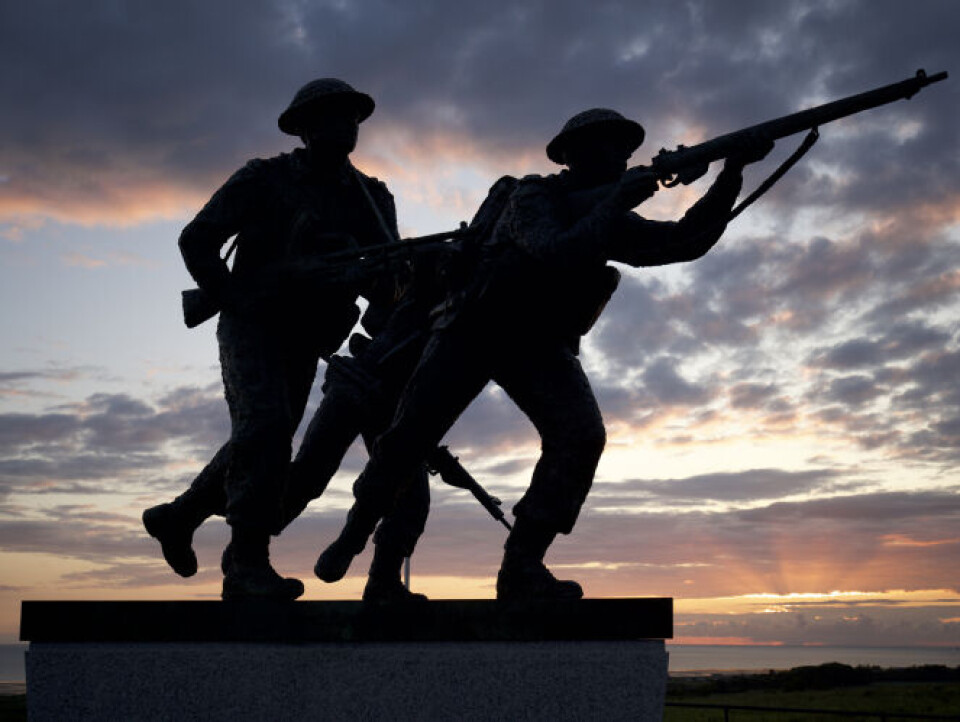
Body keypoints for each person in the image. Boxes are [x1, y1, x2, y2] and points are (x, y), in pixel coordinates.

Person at [315, 108, 773, 600]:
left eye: (623, 147)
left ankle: (523, 566)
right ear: (573, 155)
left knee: (580, 436)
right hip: (475, 325)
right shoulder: (532, 194)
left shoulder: (609, 213)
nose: (619, 155)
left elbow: (682, 242)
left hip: (536, 343)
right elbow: (553, 248)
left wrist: (732, 173)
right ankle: (356, 536)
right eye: (605, 145)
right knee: (410, 436)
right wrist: (615, 201)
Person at [143, 78, 400, 600]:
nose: (344, 125)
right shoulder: (265, 180)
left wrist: (352, 262)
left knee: (268, 436)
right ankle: (246, 564)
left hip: (308, 334)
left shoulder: (370, 199)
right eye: (330, 116)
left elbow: (390, 280)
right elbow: (196, 240)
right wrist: (234, 296)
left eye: (350, 116)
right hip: (253, 323)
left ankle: (181, 515)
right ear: (304, 127)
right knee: (265, 426)